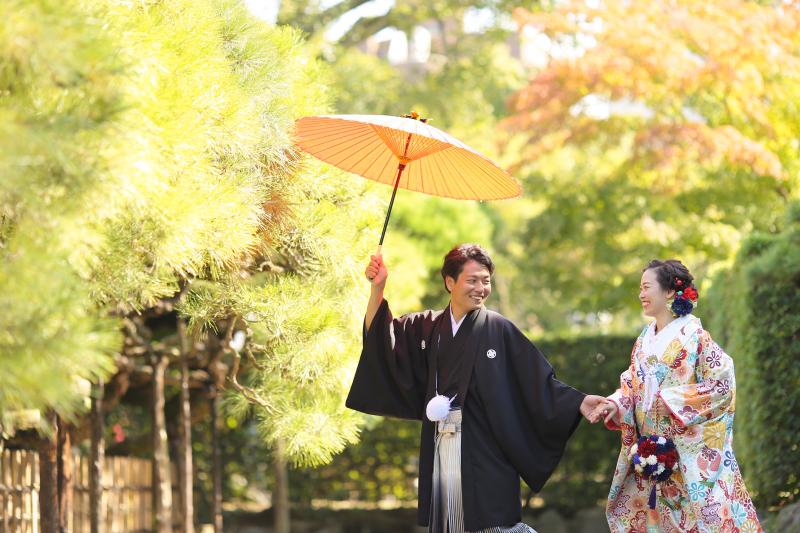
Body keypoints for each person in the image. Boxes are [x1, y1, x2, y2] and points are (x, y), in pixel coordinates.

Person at [346, 243, 605, 533]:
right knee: (448, 521)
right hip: (440, 441)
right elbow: (383, 341)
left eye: (486, 281)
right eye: (472, 280)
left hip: (485, 450)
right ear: (450, 282)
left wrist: (578, 402)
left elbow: (536, 381)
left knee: (492, 521)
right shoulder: (426, 326)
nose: (480, 288)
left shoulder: (499, 328)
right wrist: (377, 289)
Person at [590, 260, 763, 533]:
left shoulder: (696, 337)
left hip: (688, 455)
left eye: (646, 287)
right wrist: (615, 404)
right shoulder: (643, 341)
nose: (641, 294)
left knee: (703, 520)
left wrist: (675, 399)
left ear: (669, 292)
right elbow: (632, 387)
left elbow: (722, 382)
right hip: (652, 454)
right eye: (640, 288)